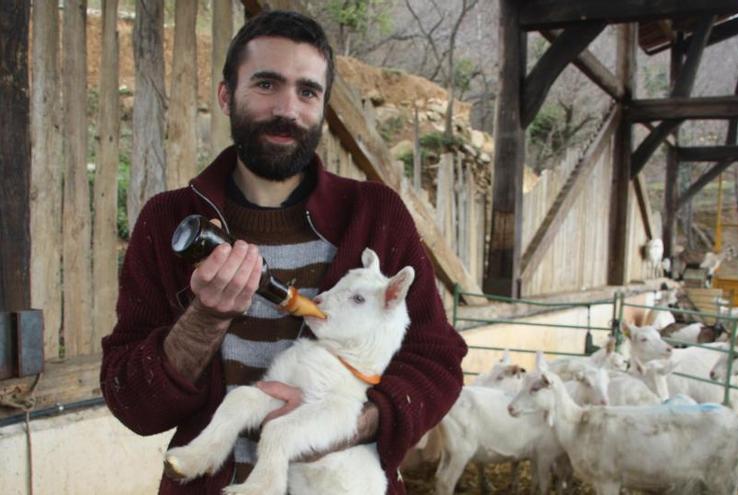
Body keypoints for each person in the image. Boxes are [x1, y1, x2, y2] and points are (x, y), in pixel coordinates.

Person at [100, 10, 467, 495]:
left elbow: (438, 360)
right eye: (267, 84)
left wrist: (352, 425)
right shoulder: (169, 220)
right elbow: (134, 404)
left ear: (322, 105)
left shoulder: (374, 214)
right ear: (226, 95)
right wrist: (203, 321)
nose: (287, 109)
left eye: (307, 91)